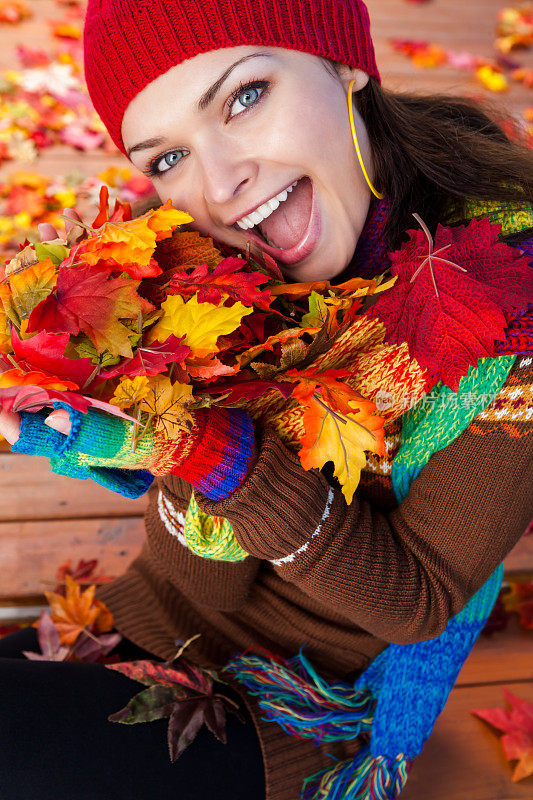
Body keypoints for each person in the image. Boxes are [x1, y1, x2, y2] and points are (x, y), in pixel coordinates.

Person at [0, 0, 532, 798]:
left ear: (345, 63)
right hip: (143, 626)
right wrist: (106, 431)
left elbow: (414, 602)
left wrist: (213, 453)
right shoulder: (200, 259)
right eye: (169, 156)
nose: (217, 183)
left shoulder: (510, 305)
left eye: (244, 97)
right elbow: (201, 576)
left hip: (289, 712)